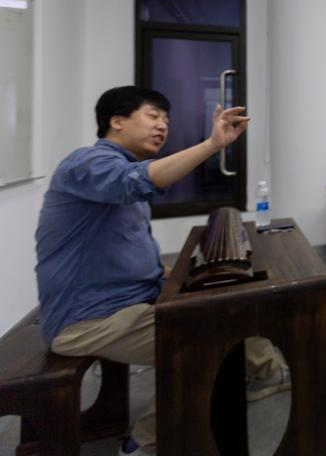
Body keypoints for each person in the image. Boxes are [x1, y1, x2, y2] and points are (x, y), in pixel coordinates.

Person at [35, 86, 290, 456]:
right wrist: (211, 145)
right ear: (116, 121)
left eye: (166, 120)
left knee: (228, 302)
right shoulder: (86, 163)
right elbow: (139, 180)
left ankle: (266, 371)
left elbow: (132, 242)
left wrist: (174, 277)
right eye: (153, 116)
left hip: (125, 302)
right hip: (89, 319)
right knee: (209, 339)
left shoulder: (119, 171)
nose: (163, 126)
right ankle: (144, 442)